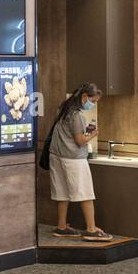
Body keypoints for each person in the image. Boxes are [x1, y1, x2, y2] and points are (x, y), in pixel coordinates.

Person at [47, 82, 113, 241]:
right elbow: (80, 140)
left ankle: (62, 227)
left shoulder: (63, 109)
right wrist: (93, 134)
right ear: (85, 97)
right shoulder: (76, 115)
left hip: (56, 155)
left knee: (62, 192)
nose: (94, 104)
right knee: (85, 192)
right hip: (73, 159)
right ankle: (91, 229)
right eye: (94, 101)